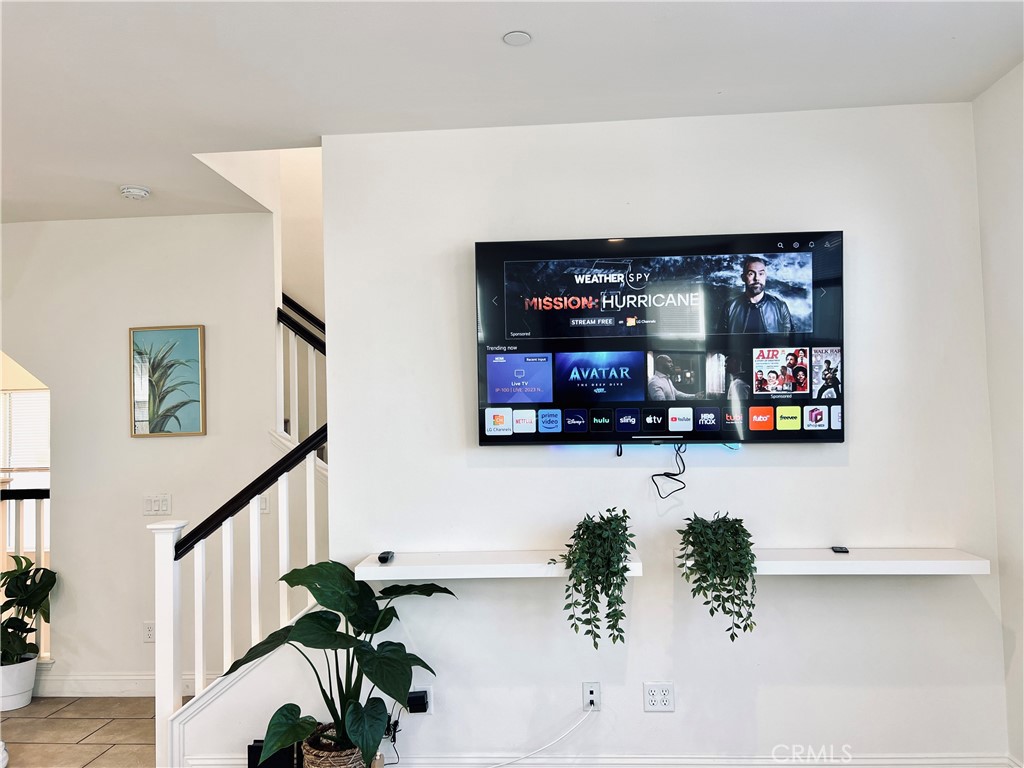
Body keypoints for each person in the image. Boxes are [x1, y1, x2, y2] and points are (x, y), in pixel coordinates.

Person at [717, 256, 793, 334]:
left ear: (765, 277)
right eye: (751, 274)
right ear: (743, 278)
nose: (757, 278)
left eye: (761, 274)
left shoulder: (780, 306)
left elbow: (789, 339)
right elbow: (720, 340)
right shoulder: (730, 307)